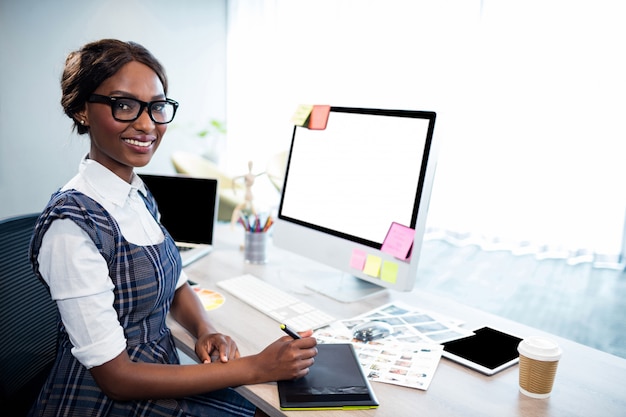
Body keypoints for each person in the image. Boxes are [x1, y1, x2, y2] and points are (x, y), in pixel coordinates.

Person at [28, 39, 317, 417]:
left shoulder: (136, 192)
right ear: (83, 109)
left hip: (160, 376)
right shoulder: (71, 226)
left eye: (157, 107)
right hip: (107, 401)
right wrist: (254, 367)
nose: (148, 125)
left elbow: (177, 283)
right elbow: (115, 378)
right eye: (124, 105)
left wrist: (205, 329)